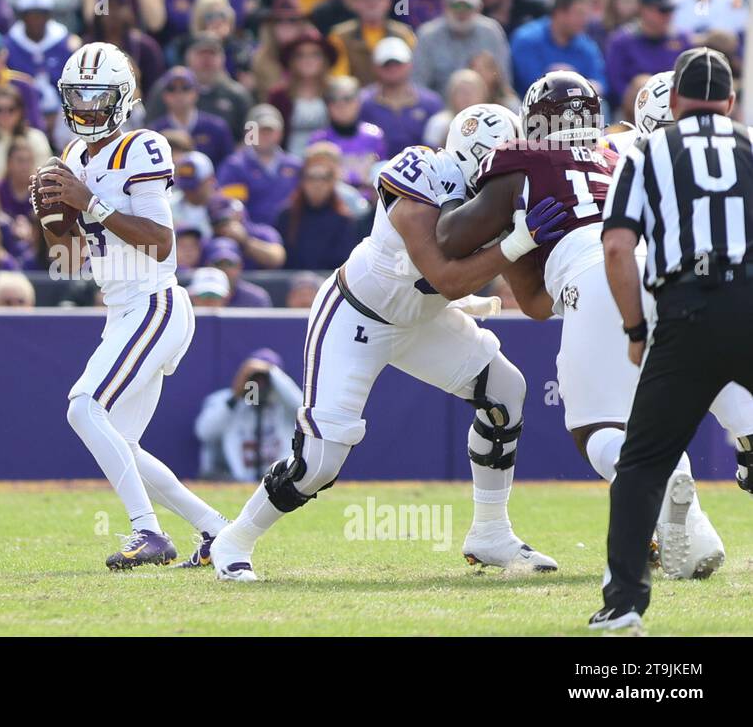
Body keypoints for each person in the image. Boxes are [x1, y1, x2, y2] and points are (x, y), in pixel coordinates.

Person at [441, 78, 753, 589]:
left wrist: (496, 220)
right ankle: (691, 537)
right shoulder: (615, 155)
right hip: (667, 270)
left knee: (595, 429)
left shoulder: (521, 156)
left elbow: (452, 238)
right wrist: (518, 243)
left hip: (599, 272)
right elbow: (541, 304)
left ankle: (667, 480)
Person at [209, 141, 568, 581]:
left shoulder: (501, 196)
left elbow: (525, 297)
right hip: (357, 315)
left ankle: (491, 533)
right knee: (319, 463)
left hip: (421, 320)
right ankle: (235, 538)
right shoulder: (421, 180)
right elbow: (447, 277)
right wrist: (516, 242)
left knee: (506, 391)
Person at [35, 41, 228, 569]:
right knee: (120, 441)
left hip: (154, 301)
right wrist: (56, 222)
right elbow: (74, 255)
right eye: (78, 96)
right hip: (120, 307)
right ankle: (218, 530)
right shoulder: (74, 156)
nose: (87, 108)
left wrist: (89, 203)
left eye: (98, 97)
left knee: (83, 407)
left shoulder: (141, 146)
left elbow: (161, 241)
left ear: (122, 99)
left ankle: (149, 533)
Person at [590, 49, 753, 630]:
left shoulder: (647, 150)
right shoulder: (750, 145)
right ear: (730, 102)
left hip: (686, 311)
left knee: (642, 463)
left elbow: (615, 248)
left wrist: (635, 327)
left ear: (675, 102)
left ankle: (625, 603)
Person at [195, 349, 303, 482]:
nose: (259, 384)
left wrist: (272, 372)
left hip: (278, 481)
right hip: (235, 480)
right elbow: (204, 432)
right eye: (254, 378)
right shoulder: (226, 401)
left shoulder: (285, 405)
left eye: (264, 379)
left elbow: (304, 412)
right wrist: (235, 396)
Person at [412, 0, 511, 98]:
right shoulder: (428, 35)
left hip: (485, 104)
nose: (462, 12)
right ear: (445, 7)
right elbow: (419, 84)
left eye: (468, 6)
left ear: (478, 8)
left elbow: (503, 80)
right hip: (442, 107)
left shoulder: (490, 31)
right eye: (456, 6)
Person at [276, 142, 358, 270]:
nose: (317, 184)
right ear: (302, 181)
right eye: (311, 177)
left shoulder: (343, 219)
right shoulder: (287, 216)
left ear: (332, 182)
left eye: (324, 178)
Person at [217, 103, 303, 226]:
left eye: (269, 131)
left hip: (290, 233)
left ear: (280, 133)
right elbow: (231, 206)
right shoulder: (235, 167)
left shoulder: (295, 166)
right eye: (259, 130)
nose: (264, 136)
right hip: (250, 235)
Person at [5, 0, 79, 128]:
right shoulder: (9, 46)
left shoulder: (65, 43)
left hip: (64, 113)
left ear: (49, 16)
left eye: (41, 15)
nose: (36, 20)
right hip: (23, 116)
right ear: (22, 17)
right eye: (31, 15)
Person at [604, 0, 688, 110]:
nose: (668, 16)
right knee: (642, 83)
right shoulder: (623, 41)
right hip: (632, 110)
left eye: (670, 10)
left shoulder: (681, 39)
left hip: (674, 107)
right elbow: (616, 84)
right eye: (663, 10)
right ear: (644, 10)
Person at [357, 37, 443, 156]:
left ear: (410, 65)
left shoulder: (431, 103)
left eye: (398, 63)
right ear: (375, 67)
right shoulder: (362, 102)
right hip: (376, 169)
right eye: (386, 64)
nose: (393, 69)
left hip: (423, 169)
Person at [509, 0, 606, 92]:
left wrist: (584, 85)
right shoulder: (527, 39)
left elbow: (600, 81)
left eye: (586, 15)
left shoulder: (587, 45)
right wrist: (555, 78)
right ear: (559, 13)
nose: (584, 20)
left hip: (577, 103)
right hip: (532, 104)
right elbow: (528, 82)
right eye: (579, 13)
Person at [0, 85, 51, 182]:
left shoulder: (37, 138)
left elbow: (44, 177)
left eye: (11, 109)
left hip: (30, 194)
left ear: (20, 111)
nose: (5, 115)